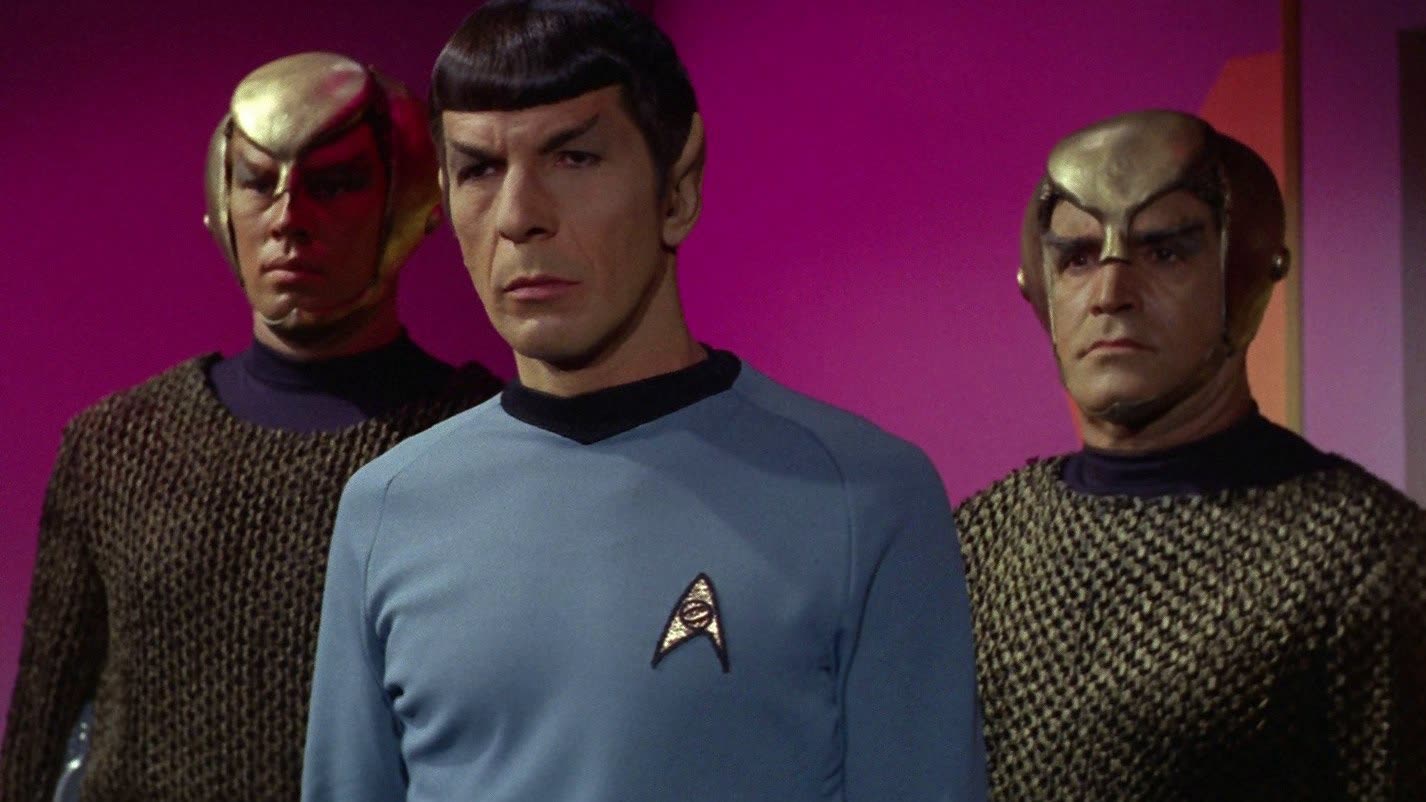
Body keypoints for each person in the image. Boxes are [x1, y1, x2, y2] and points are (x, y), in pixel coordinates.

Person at [301, 3, 985, 800]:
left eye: (575, 157)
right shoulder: (387, 509)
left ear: (678, 185)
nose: (520, 217)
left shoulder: (864, 498)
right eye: (481, 169)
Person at [0, 52, 501, 801]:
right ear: (221, 196)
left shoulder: (479, 445)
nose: (288, 219)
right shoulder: (119, 444)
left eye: (334, 184)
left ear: (404, 200)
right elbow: (38, 732)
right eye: (258, 182)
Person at [956, 109, 1426, 801]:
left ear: (1244, 269)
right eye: (1078, 258)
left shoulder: (1365, 559)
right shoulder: (980, 542)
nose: (1111, 294)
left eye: (1165, 252)